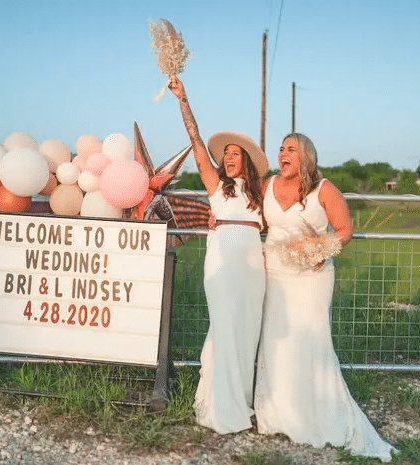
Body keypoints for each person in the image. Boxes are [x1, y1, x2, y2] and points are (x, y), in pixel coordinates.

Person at [254, 133, 397, 461]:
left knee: (311, 343)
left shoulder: (325, 189)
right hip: (274, 277)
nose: (283, 153)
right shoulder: (267, 186)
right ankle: (276, 414)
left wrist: (320, 251)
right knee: (277, 341)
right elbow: (257, 221)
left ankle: (315, 415)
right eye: (281, 149)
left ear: (306, 156)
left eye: (291, 149)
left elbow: (344, 229)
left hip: (312, 279)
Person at [168, 75, 268, 434]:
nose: (227, 158)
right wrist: (184, 99)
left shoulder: (262, 194)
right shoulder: (216, 187)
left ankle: (240, 400)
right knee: (225, 326)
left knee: (246, 330)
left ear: (246, 162)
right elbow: (196, 142)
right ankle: (220, 404)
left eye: (234, 154)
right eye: (225, 154)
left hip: (255, 270)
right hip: (222, 265)